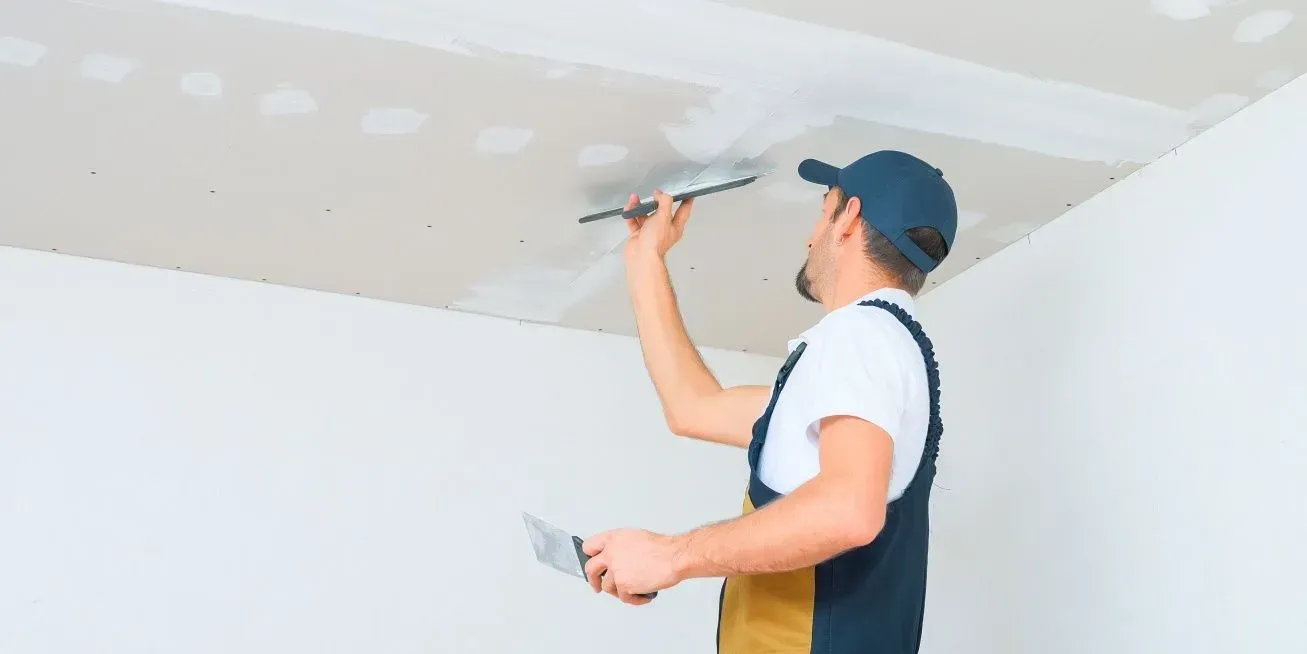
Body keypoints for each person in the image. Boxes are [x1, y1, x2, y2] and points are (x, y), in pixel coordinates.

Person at [581, 150, 957, 653]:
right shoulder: (874, 357)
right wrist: (645, 259)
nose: (810, 235)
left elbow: (849, 512)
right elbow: (693, 407)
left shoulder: (859, 335)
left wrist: (672, 556)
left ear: (848, 218)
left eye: (823, 211)